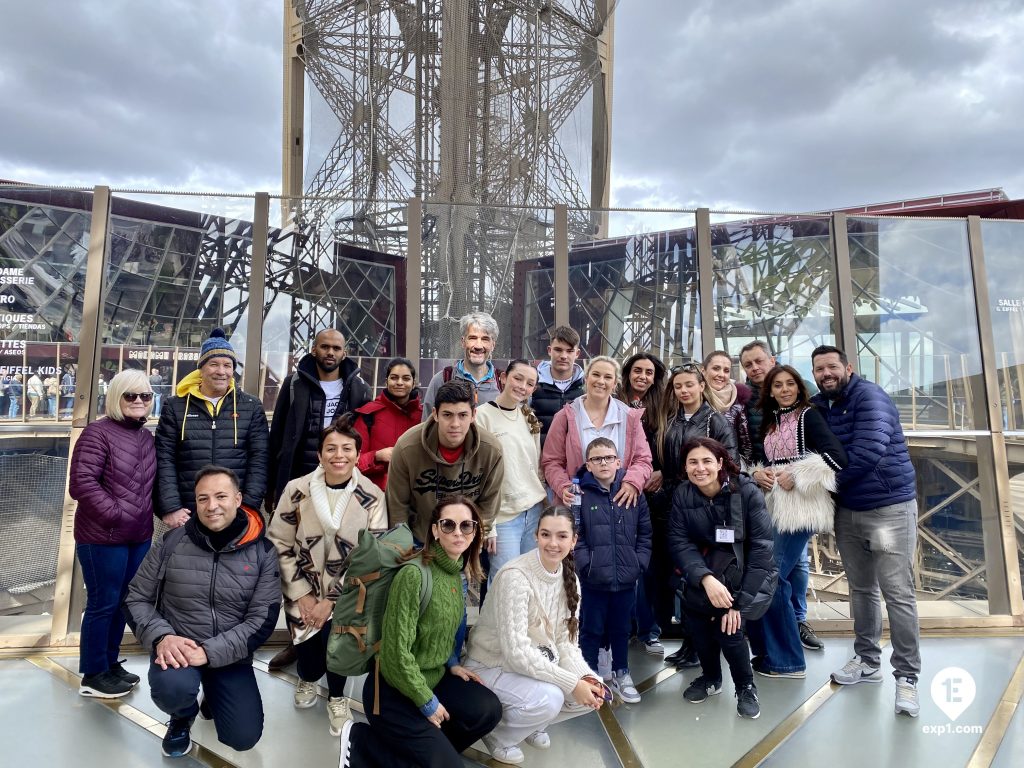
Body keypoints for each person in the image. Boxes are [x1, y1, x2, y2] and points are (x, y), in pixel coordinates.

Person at [124, 466, 281, 758]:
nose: (212, 506)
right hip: (179, 648)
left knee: (243, 737)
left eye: (221, 496)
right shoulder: (172, 542)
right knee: (172, 690)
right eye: (202, 498)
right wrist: (162, 638)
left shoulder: (263, 551)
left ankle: (214, 692)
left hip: (229, 653)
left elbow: (262, 620)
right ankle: (182, 716)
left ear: (238, 498)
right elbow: (136, 598)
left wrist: (210, 652)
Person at [339, 496, 503, 767]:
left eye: (466, 526)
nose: (458, 533)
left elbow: (440, 629)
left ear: (476, 532)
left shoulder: (455, 572)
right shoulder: (414, 575)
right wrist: (427, 703)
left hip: (432, 677)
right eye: (448, 525)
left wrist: (451, 663)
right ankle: (362, 742)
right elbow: (395, 655)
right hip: (393, 692)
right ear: (436, 531)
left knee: (487, 710)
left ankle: (426, 754)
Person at [810, 345, 921, 717]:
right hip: (848, 510)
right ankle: (867, 660)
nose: (825, 374)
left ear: (848, 367)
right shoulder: (819, 404)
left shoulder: (870, 397)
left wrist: (815, 482)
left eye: (831, 367)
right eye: (819, 369)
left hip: (886, 511)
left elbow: (867, 452)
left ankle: (907, 677)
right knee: (861, 589)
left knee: (897, 592)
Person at [267, 414, 388, 735]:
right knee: (308, 646)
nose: (339, 455)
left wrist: (330, 601)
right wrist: (302, 594)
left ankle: (337, 697)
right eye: (330, 448)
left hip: (347, 594)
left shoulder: (373, 495)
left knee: (342, 647)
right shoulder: (297, 490)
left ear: (357, 453)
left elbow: (373, 554)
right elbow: (278, 540)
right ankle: (306, 680)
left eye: (347, 448)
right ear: (319, 455)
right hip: (302, 588)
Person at [465, 506, 605, 764]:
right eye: (546, 535)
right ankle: (499, 735)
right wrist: (571, 683)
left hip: (530, 662)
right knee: (553, 697)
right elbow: (516, 653)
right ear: (536, 537)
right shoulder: (515, 577)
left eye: (562, 536)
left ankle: (530, 724)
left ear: (574, 540)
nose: (553, 543)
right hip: (490, 664)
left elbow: (566, 644)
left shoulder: (570, 579)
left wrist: (586, 678)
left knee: (592, 690)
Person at [746, 365, 847, 679]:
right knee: (773, 578)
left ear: (799, 388)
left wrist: (798, 474)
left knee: (771, 577)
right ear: (771, 391)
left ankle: (787, 660)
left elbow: (836, 457)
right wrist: (756, 473)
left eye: (790, 384)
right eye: (778, 385)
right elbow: (764, 461)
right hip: (774, 504)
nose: (785, 389)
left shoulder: (808, 416)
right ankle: (770, 653)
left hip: (799, 508)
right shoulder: (772, 421)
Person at [669, 438, 775, 720]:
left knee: (729, 628)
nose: (699, 468)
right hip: (706, 570)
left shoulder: (746, 492)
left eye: (706, 461)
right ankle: (712, 678)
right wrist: (704, 577)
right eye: (693, 462)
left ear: (720, 463)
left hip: (746, 572)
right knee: (698, 625)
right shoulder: (683, 494)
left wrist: (738, 604)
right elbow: (679, 542)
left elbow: (762, 549)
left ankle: (745, 686)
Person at [70, 369, 157, 698]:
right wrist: (118, 515)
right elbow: (82, 484)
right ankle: (93, 674)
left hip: (137, 537)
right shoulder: (97, 433)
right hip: (102, 538)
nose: (138, 401)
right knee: (102, 604)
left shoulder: (146, 438)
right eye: (130, 395)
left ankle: (108, 663)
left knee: (122, 603)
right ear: (116, 398)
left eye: (145, 396)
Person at [740, 340, 822, 650]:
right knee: (767, 555)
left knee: (794, 560)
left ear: (771, 358)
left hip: (794, 487)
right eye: (748, 364)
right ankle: (778, 620)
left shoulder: (799, 391)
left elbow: (819, 441)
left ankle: (797, 619)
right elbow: (744, 443)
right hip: (763, 483)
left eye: (759, 361)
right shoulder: (746, 399)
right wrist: (754, 471)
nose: (755, 368)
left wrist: (798, 474)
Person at [154, 328, 269, 530]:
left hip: (235, 512)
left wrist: (249, 506)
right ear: (201, 369)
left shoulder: (251, 406)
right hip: (188, 513)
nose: (221, 371)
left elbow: (260, 459)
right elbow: (165, 458)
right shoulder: (175, 406)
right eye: (214, 364)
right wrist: (171, 507)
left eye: (227, 365)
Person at [575, 437, 652, 705]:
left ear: (618, 462)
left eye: (609, 457)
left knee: (621, 627)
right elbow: (577, 536)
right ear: (588, 464)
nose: (604, 463)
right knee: (591, 628)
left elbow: (645, 534)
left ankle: (621, 672)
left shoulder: (633, 493)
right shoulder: (581, 496)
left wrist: (638, 562)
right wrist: (586, 565)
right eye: (597, 459)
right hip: (594, 579)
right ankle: (589, 677)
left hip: (626, 578)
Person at [387, 379, 504, 544]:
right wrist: (403, 547)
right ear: (435, 414)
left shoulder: (491, 450)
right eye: (447, 415)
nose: (455, 424)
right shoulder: (407, 447)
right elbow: (398, 506)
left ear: (473, 415)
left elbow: (488, 506)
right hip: (420, 538)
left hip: (466, 540)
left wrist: (471, 541)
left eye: (462, 415)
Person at [268, 328, 372, 507]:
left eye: (336, 348)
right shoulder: (293, 384)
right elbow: (277, 434)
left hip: (341, 480)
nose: (331, 352)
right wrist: (272, 486)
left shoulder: (360, 389)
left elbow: (365, 437)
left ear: (344, 353)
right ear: (314, 350)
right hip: (298, 477)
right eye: (325, 347)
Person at [541, 355, 653, 511]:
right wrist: (564, 487)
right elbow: (551, 461)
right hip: (577, 507)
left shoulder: (630, 418)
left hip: (618, 505)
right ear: (586, 378)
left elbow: (643, 460)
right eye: (596, 374)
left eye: (608, 377)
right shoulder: (565, 417)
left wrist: (631, 482)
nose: (601, 381)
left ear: (615, 384)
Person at [473, 360, 546, 580]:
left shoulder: (529, 416)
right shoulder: (481, 416)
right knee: (504, 582)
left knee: (528, 581)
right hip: (502, 516)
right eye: (518, 378)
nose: (523, 386)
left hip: (533, 512)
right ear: (503, 378)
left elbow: (536, 467)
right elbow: (479, 474)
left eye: (530, 383)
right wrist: (489, 525)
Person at [617, 352, 667, 656]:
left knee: (648, 566)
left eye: (649, 372)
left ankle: (649, 629)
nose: (643, 377)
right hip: (622, 489)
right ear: (628, 373)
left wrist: (661, 472)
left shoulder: (662, 406)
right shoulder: (616, 402)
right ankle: (625, 628)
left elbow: (668, 445)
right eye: (638, 370)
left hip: (654, 491)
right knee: (622, 563)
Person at [353, 356, 423, 491]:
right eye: (394, 377)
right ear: (386, 381)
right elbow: (352, 460)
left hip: (415, 495)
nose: (400, 382)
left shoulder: (424, 416)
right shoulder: (369, 414)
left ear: (414, 383)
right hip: (376, 494)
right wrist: (377, 456)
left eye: (406, 378)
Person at [422, 312, 501, 417]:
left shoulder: (503, 383)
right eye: (473, 338)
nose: (478, 346)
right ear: (463, 342)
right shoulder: (442, 380)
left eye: (485, 339)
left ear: (493, 345)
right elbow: (428, 427)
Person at [530, 325, 585, 443]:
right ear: (549, 350)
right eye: (558, 350)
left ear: (577, 353)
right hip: (540, 455)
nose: (563, 356)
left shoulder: (586, 386)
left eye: (570, 351)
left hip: (575, 457)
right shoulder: (533, 382)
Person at [702, 350, 753, 465]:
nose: (721, 374)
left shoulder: (737, 403)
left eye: (726, 371)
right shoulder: (693, 399)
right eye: (716, 368)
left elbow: (746, 445)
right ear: (703, 370)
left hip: (728, 468)